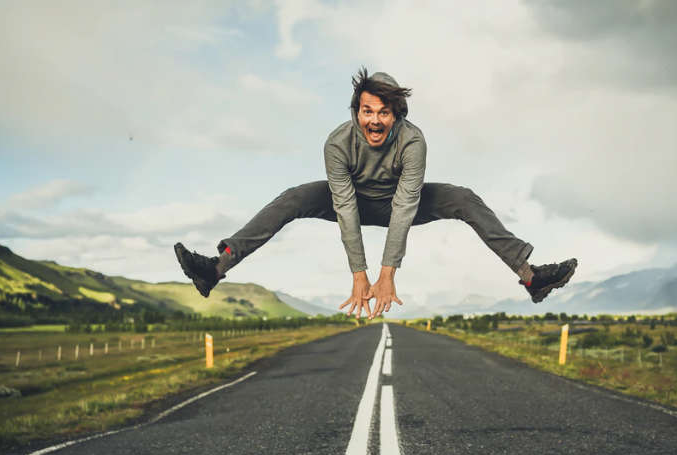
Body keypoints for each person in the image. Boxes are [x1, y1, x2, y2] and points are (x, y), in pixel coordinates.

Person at [175, 68, 576, 318]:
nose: (375, 120)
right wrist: (359, 276)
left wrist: (387, 276)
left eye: (384, 112)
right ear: (356, 112)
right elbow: (345, 208)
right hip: (352, 200)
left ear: (397, 115)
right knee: (293, 197)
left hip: (404, 202)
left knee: (464, 198)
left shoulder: (413, 142)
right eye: (368, 111)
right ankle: (215, 269)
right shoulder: (337, 144)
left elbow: (404, 207)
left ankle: (531, 277)